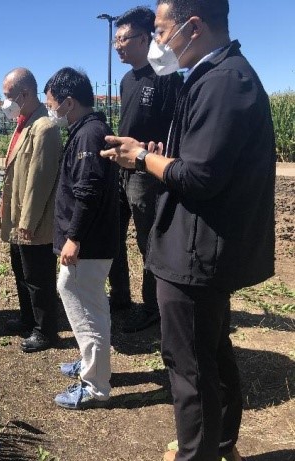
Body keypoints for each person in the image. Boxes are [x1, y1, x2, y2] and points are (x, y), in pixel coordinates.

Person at [101, 0, 275, 459]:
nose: (159, 41)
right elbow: (203, 161)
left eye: (160, 31)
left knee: (189, 365)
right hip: (199, 244)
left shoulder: (223, 82)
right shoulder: (216, 76)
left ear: (192, 27)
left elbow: (199, 177)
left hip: (196, 249)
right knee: (211, 351)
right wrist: (159, 155)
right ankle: (221, 444)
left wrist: (142, 158)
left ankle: (196, 453)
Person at [44, 67, 119, 409]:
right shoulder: (87, 130)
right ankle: (91, 362)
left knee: (84, 305)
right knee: (87, 301)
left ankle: (95, 386)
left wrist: (73, 238)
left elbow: (88, 191)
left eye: (52, 104)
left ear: (69, 102)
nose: (51, 110)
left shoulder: (89, 135)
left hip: (87, 243)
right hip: (91, 240)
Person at [109, 6, 183, 333]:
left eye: (123, 39)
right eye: (115, 40)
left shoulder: (165, 76)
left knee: (148, 241)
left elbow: (177, 125)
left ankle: (152, 308)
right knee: (112, 235)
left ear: (144, 39)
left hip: (146, 172)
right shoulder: (127, 80)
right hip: (120, 168)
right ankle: (120, 297)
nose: (118, 45)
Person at [0, 68, 63, 353]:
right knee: (21, 271)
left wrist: (27, 221)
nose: (5, 102)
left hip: (34, 219)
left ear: (24, 94)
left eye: (8, 96)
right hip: (18, 216)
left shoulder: (44, 128)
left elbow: (40, 181)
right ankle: (28, 318)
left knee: (39, 278)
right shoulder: (24, 124)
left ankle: (45, 330)